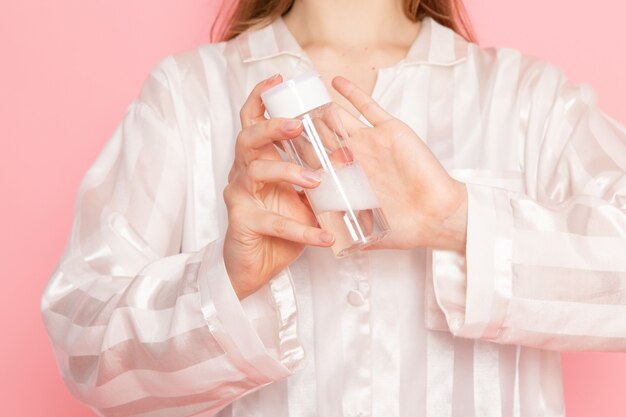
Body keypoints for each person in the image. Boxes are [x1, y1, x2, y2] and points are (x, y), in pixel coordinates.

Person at [40, 0, 626, 416]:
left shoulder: (527, 99)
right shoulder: (186, 96)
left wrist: (459, 221)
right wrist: (225, 283)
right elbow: (85, 347)